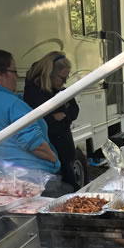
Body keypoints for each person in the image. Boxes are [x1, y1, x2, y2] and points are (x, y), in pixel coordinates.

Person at [0, 49, 60, 174]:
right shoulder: (12, 103)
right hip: (30, 175)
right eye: (14, 71)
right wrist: (54, 159)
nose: (17, 76)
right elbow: (36, 144)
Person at [24, 51, 80, 191]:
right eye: (63, 78)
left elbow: (75, 110)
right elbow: (47, 124)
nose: (65, 82)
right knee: (65, 189)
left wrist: (64, 115)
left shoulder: (59, 90)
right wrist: (62, 119)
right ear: (51, 74)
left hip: (64, 150)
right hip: (51, 152)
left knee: (70, 186)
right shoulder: (35, 93)